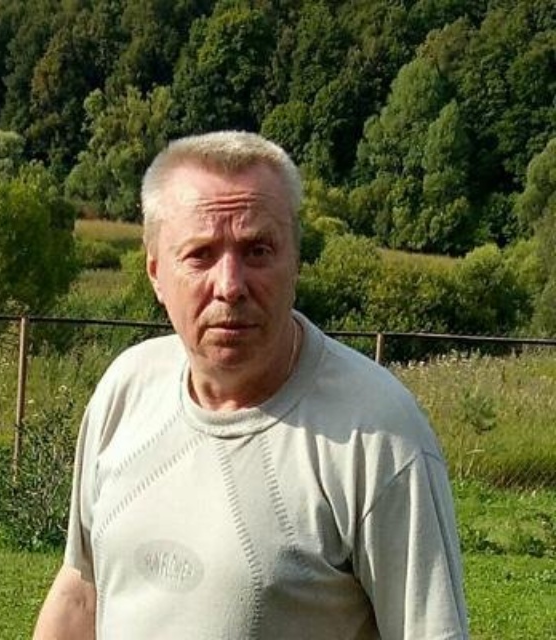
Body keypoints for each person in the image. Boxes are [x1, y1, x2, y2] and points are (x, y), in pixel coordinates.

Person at [33, 131, 469, 639]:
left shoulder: (379, 435)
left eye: (257, 250)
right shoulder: (127, 388)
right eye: (200, 254)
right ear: (155, 271)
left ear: (295, 261)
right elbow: (81, 593)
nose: (230, 285)